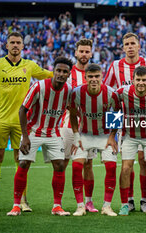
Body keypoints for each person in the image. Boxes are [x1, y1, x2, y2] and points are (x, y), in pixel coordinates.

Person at [0, 32, 52, 212]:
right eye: (12, 42)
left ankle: (22, 201)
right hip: (0, 120)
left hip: (22, 121)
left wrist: (72, 71)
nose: (15, 45)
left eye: (18, 42)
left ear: (22, 45)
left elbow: (49, 75)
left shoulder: (30, 65)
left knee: (21, 160)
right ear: (6, 45)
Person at [7, 56, 73, 216]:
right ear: (53, 71)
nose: (61, 74)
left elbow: (74, 110)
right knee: (23, 164)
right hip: (33, 131)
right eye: (58, 70)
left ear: (69, 74)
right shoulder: (39, 86)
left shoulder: (69, 90)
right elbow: (23, 110)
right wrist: (25, 136)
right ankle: (16, 206)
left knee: (60, 166)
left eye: (65, 72)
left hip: (53, 132)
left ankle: (57, 206)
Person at [104, 32, 146, 212]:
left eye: (132, 43)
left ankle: (144, 201)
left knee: (143, 161)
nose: (129, 47)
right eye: (126, 44)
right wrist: (112, 129)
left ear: (138, 46)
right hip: (126, 123)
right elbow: (110, 96)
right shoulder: (115, 66)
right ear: (123, 47)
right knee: (127, 164)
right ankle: (128, 200)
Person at [69, 64, 120, 217]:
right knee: (77, 166)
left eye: (96, 76)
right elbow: (72, 114)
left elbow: (117, 114)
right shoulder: (77, 93)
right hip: (84, 134)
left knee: (111, 166)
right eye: (90, 76)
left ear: (101, 77)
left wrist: (112, 136)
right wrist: (76, 136)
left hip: (105, 135)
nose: (93, 79)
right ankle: (80, 206)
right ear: (85, 77)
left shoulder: (111, 93)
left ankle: (107, 206)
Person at [116, 66, 146, 216]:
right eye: (138, 80)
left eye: (144, 80)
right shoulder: (123, 91)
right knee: (125, 168)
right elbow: (111, 103)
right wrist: (111, 134)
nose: (141, 83)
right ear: (133, 81)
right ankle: (125, 204)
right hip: (129, 135)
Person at [59, 38, 98, 212]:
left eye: (86, 51)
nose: (83, 54)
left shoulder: (94, 73)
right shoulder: (68, 73)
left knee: (88, 163)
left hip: (90, 124)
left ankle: (88, 202)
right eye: (81, 51)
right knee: (63, 162)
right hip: (68, 123)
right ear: (76, 53)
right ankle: (57, 203)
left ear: (91, 53)